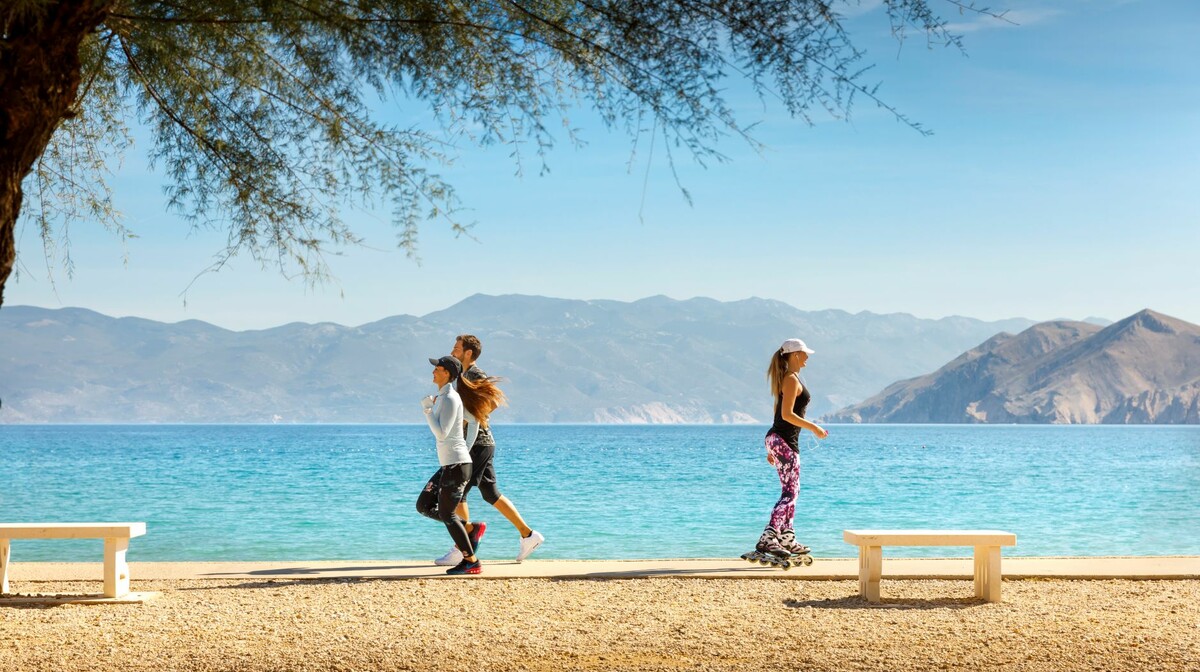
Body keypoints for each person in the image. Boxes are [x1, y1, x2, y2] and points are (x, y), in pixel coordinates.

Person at [433, 334, 545, 565]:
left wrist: (471, 420)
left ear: (468, 353)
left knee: (459, 493)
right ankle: (528, 535)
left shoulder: (474, 374)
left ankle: (465, 544)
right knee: (490, 493)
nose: (452, 351)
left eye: (456, 348)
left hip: (477, 443)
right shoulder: (462, 375)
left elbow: (491, 401)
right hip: (480, 443)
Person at [742, 338, 829, 567]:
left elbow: (777, 416)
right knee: (790, 493)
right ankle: (768, 538)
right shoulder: (790, 379)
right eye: (804, 353)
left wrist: (770, 447)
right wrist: (814, 427)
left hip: (779, 440)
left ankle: (787, 538)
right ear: (794, 355)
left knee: (791, 491)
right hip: (783, 441)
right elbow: (787, 415)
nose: (807, 357)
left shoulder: (789, 379)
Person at [415, 355, 482, 575]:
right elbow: (465, 424)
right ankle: (471, 528)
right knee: (424, 505)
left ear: (448, 374)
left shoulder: (451, 398)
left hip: (456, 464)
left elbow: (441, 433)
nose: (434, 371)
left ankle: (471, 561)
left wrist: (427, 411)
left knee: (447, 514)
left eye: (438, 368)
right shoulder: (443, 397)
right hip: (450, 464)